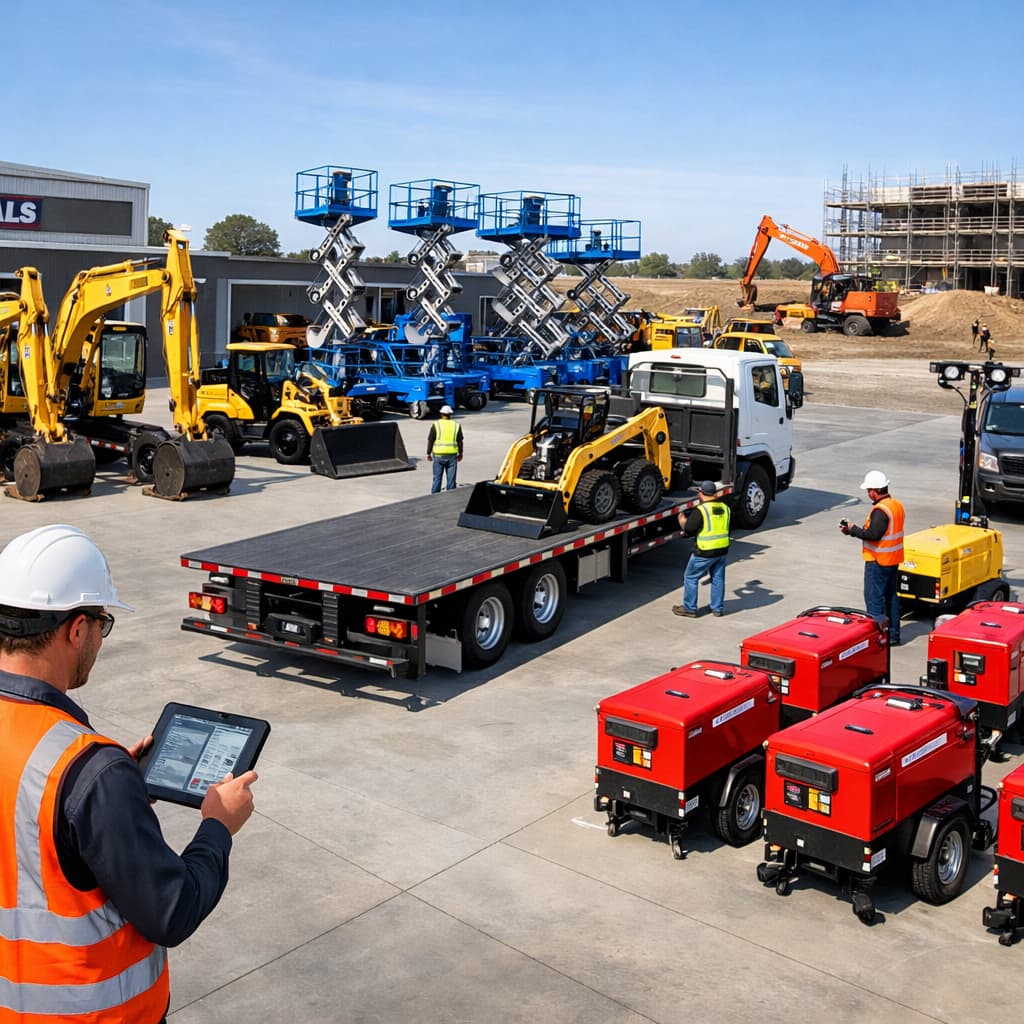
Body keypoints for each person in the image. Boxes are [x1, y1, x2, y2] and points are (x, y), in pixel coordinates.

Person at [0, 524, 258, 1023]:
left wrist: (113, 796)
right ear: (77, 629)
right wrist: (217, 828)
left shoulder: (86, 773)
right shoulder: (90, 772)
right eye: (102, 622)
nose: (100, 636)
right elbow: (172, 911)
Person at [839, 470, 905, 646]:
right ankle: (893, 635)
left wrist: (852, 529)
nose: (868, 493)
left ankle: (878, 639)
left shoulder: (880, 511)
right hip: (892, 559)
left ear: (873, 491)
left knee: (874, 599)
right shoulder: (896, 505)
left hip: (878, 561)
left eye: (869, 490)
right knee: (891, 597)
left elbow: (873, 534)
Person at [672, 480, 731, 618]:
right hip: (722, 549)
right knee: (718, 578)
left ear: (701, 493)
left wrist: (682, 520)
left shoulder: (701, 510)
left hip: (704, 551)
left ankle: (689, 608)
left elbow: (689, 530)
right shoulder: (725, 507)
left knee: (690, 576)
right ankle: (717, 609)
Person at [427, 404, 463, 492]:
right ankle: (450, 498)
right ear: (450, 414)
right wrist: (461, 453)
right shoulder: (456, 425)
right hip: (452, 456)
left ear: (441, 414)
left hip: (438, 455)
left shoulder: (436, 425)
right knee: (451, 480)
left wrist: (428, 453)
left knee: (437, 478)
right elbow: (460, 442)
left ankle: (434, 497)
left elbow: (430, 440)